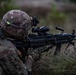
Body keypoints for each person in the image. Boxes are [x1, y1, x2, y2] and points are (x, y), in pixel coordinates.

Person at [0, 10, 42, 75]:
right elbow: (22, 73)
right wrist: (31, 57)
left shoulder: (4, 30)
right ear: (17, 31)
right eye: (24, 31)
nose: (26, 34)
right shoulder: (6, 49)